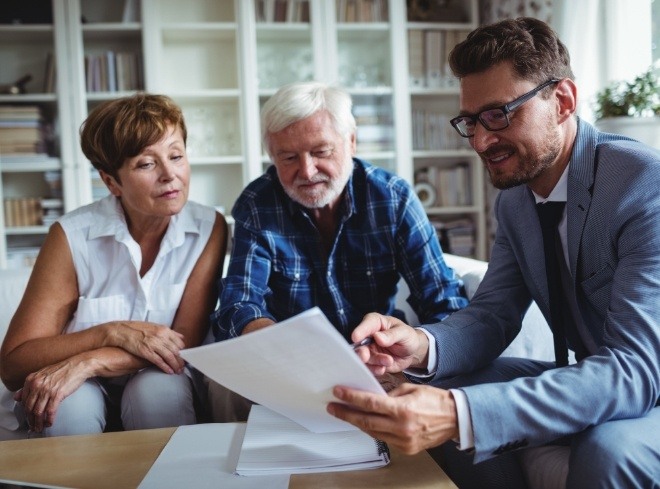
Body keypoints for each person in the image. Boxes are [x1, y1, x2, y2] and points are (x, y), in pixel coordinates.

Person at [326, 17, 660, 489]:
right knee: (435, 384)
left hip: (646, 378)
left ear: (562, 101)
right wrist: (419, 345)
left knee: (609, 451)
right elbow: (492, 316)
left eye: (500, 114)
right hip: (596, 375)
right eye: (471, 121)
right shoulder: (516, 202)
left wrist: (462, 415)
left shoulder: (642, 184)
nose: (481, 142)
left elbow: (635, 371)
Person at [209, 81, 468, 421]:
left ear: (351, 142)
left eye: (320, 152)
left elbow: (445, 302)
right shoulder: (258, 204)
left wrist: (410, 350)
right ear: (272, 157)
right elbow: (239, 303)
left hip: (375, 361)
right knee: (227, 387)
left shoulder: (393, 198)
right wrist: (274, 342)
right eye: (288, 157)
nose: (306, 171)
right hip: (288, 366)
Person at [0, 93, 228, 436]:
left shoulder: (210, 227)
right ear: (111, 182)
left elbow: (183, 344)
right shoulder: (71, 236)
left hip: (158, 375)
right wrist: (111, 332)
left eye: (176, 155)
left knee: (158, 391)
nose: (170, 175)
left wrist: (89, 360)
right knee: (67, 408)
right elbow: (14, 364)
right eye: (146, 164)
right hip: (80, 387)